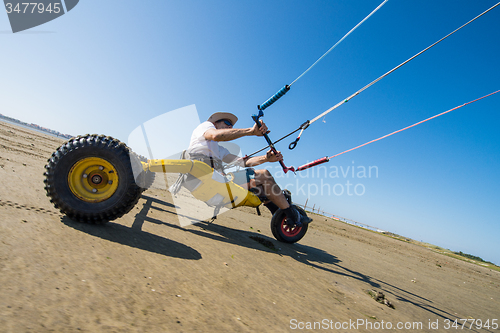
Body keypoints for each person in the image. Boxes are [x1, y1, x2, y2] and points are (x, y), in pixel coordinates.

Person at [187, 112, 311, 226]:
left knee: (262, 188)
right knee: (264, 174)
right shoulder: (205, 126)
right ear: (215, 123)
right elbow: (215, 135)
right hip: (204, 179)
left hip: (215, 184)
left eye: (231, 125)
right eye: (227, 123)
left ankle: (280, 218)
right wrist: (251, 131)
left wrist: (266, 158)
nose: (230, 127)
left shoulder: (219, 150)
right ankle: (292, 215)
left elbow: (243, 162)